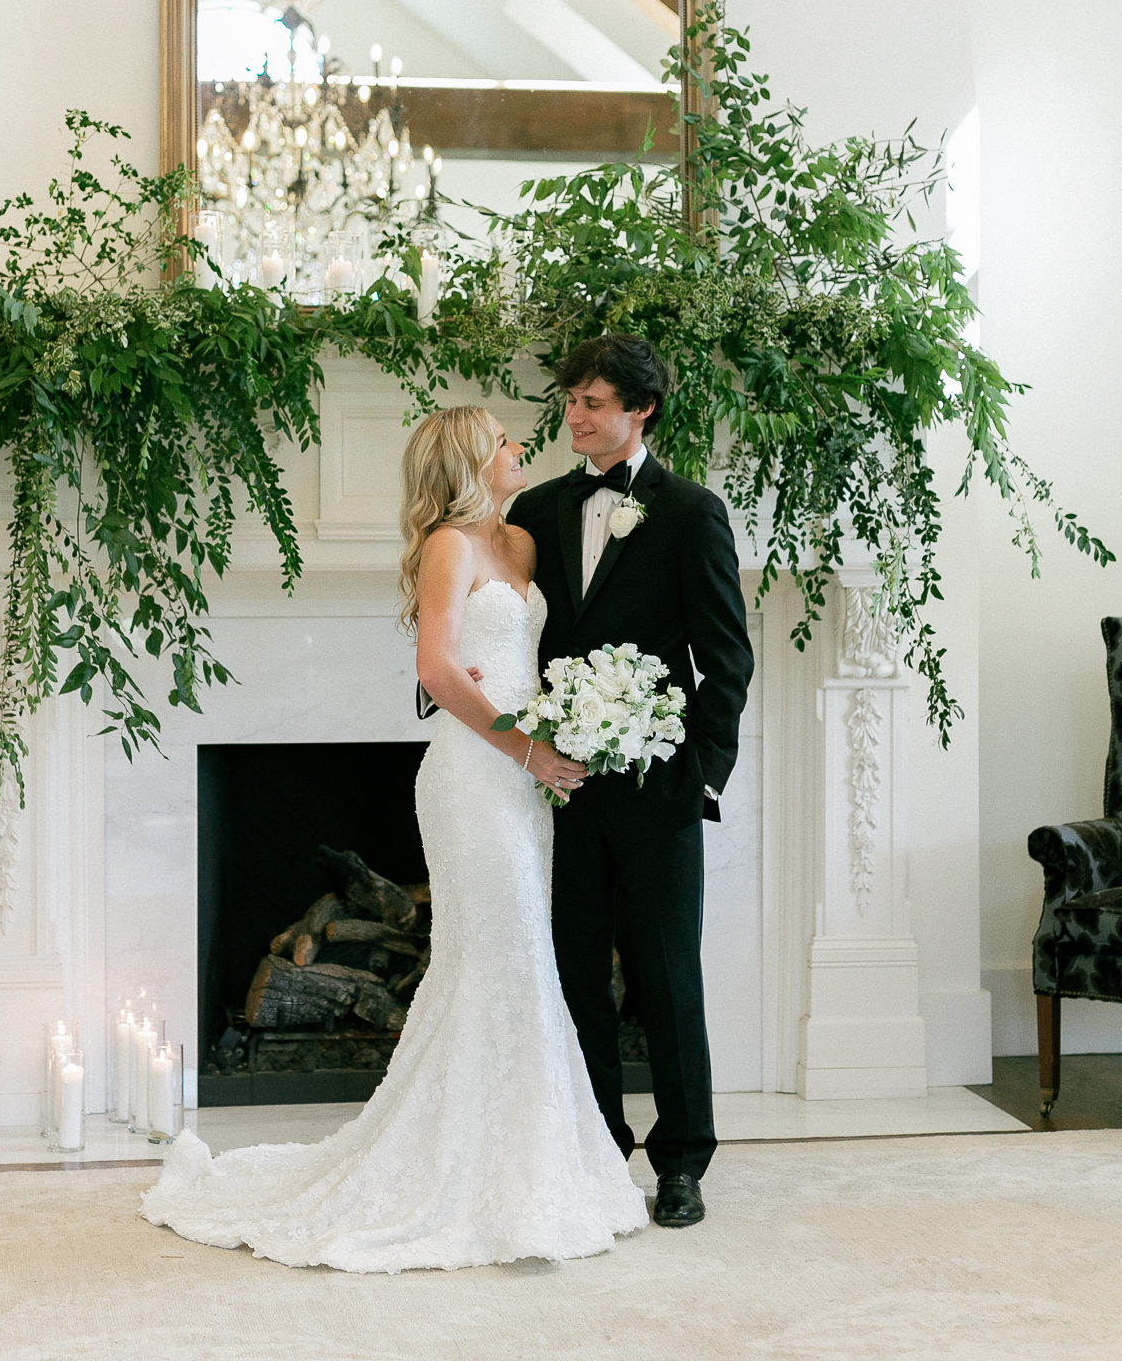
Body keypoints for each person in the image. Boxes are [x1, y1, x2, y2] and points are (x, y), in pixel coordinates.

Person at [140, 404, 648, 1271]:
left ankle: (524, 1159)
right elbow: (435, 667)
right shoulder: (449, 544)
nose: (520, 446)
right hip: (475, 777)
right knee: (499, 957)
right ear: (470, 461)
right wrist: (527, 748)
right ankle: (472, 1172)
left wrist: (576, 722)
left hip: (526, 789)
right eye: (503, 440)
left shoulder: (524, 544)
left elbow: (541, 652)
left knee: (520, 959)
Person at [505, 334, 754, 1229]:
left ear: (641, 410)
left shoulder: (691, 512)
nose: (574, 416)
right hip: (558, 791)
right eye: (571, 400)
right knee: (576, 975)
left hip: (659, 790)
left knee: (667, 979)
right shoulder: (534, 509)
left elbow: (726, 659)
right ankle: (599, 1147)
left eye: (594, 403)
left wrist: (700, 776)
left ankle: (682, 1161)